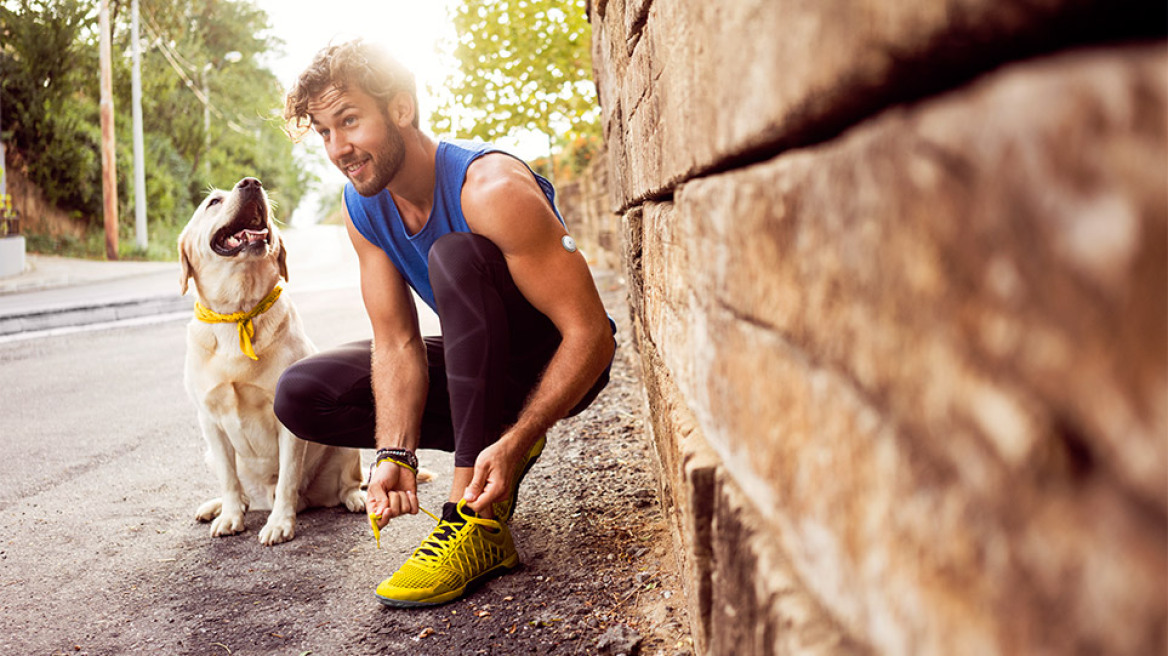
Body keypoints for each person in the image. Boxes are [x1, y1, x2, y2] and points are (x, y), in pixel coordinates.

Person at [274, 39, 616, 608]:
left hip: (554, 362)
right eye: (325, 132)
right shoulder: (362, 206)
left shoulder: (490, 188)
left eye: (350, 121)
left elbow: (593, 336)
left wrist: (521, 436)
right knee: (303, 393)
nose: (339, 147)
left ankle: (472, 522)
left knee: (453, 257)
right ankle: (487, 449)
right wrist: (394, 454)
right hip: (478, 364)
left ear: (401, 109)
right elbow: (397, 342)